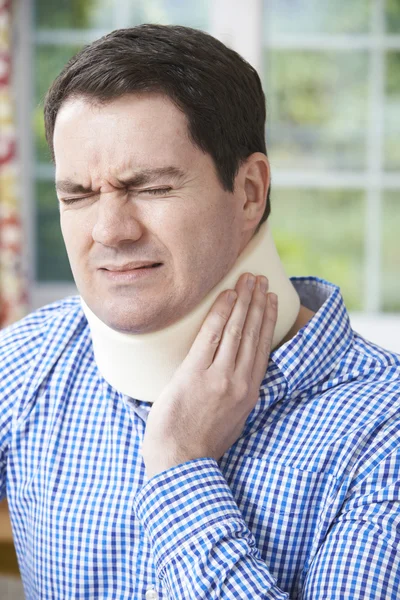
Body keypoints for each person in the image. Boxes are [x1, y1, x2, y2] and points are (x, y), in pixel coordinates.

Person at [1, 24, 399, 600]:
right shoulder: (28, 362)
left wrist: (180, 463)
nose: (110, 231)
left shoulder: (382, 432)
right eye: (78, 196)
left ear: (250, 192)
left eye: (152, 187)